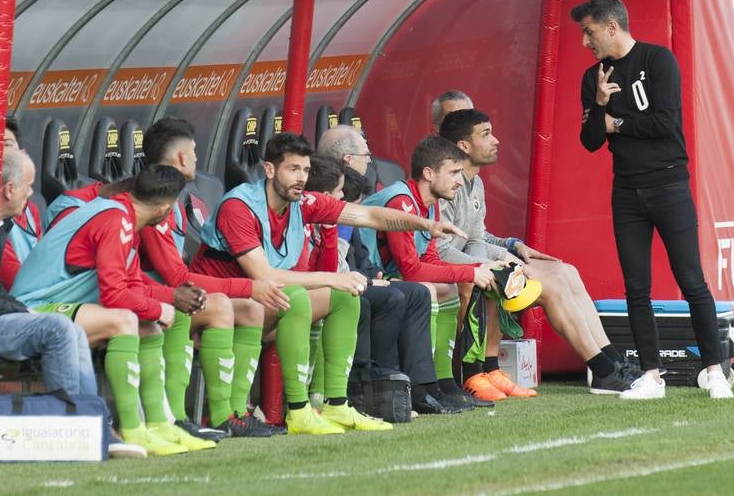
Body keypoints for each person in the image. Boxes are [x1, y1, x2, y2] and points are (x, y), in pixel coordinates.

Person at [191, 131, 464, 435]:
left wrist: (426, 224)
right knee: (300, 296)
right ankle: (298, 409)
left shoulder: (303, 202)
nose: (301, 178)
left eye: (305, 170)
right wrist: (332, 277)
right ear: (269, 170)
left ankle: (335, 403)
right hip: (222, 304)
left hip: (263, 304)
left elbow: (369, 215)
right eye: (292, 169)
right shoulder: (239, 206)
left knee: (346, 297)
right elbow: (264, 276)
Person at [572, 0, 733, 400]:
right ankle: (651, 375)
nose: (585, 42)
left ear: (612, 26)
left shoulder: (658, 61)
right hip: (626, 190)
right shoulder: (594, 78)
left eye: (589, 32)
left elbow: (665, 122)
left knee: (691, 279)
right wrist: (600, 105)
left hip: (668, 183)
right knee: (635, 287)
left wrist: (617, 122)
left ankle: (715, 371)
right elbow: (590, 139)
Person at [11, 164, 220, 456]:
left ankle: (159, 425)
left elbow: (133, 284)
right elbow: (114, 295)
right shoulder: (115, 220)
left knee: (146, 324)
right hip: (27, 312)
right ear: (165, 210)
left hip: (56, 306)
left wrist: (172, 297)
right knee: (125, 319)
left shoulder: (121, 215)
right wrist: (159, 307)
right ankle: (132, 431)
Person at [439, 108, 639, 396]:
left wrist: (512, 247)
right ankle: (603, 370)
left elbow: (476, 238)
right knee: (551, 284)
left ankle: (612, 360)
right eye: (486, 135)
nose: (496, 140)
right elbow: (442, 249)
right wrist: (490, 263)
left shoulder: (475, 183)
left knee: (566, 271)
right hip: (453, 271)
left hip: (472, 263)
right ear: (463, 147)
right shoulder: (448, 184)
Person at [138, 117, 291, 439]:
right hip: (146, 297)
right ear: (181, 158)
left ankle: (236, 412)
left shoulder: (175, 200)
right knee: (221, 305)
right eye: (193, 151)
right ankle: (190, 416)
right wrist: (249, 286)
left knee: (251, 309)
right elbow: (175, 275)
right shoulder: (153, 198)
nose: (196, 158)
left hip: (163, 295)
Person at [0, 148, 144, 459]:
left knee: (69, 328)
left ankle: (99, 425)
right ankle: (78, 429)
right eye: (28, 187)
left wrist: (22, 311)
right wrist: (23, 311)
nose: (32, 194)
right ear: (9, 189)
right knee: (58, 328)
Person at [356, 136, 506, 406]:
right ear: (428, 173)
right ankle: (424, 386)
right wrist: (470, 273)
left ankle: (445, 382)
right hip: (366, 274)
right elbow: (411, 271)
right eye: (454, 173)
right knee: (426, 289)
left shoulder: (431, 203)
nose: (460, 181)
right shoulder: (400, 201)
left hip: (390, 276)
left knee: (448, 287)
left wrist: (478, 267)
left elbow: (431, 259)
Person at [328, 160, 460, 414]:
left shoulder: (342, 213)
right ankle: (375, 387)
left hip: (361, 278)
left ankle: (421, 388)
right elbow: (330, 266)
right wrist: (366, 279)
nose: (342, 197)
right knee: (391, 297)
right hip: (337, 285)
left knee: (418, 293)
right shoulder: (326, 211)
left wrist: (369, 273)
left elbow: (362, 253)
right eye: (338, 192)